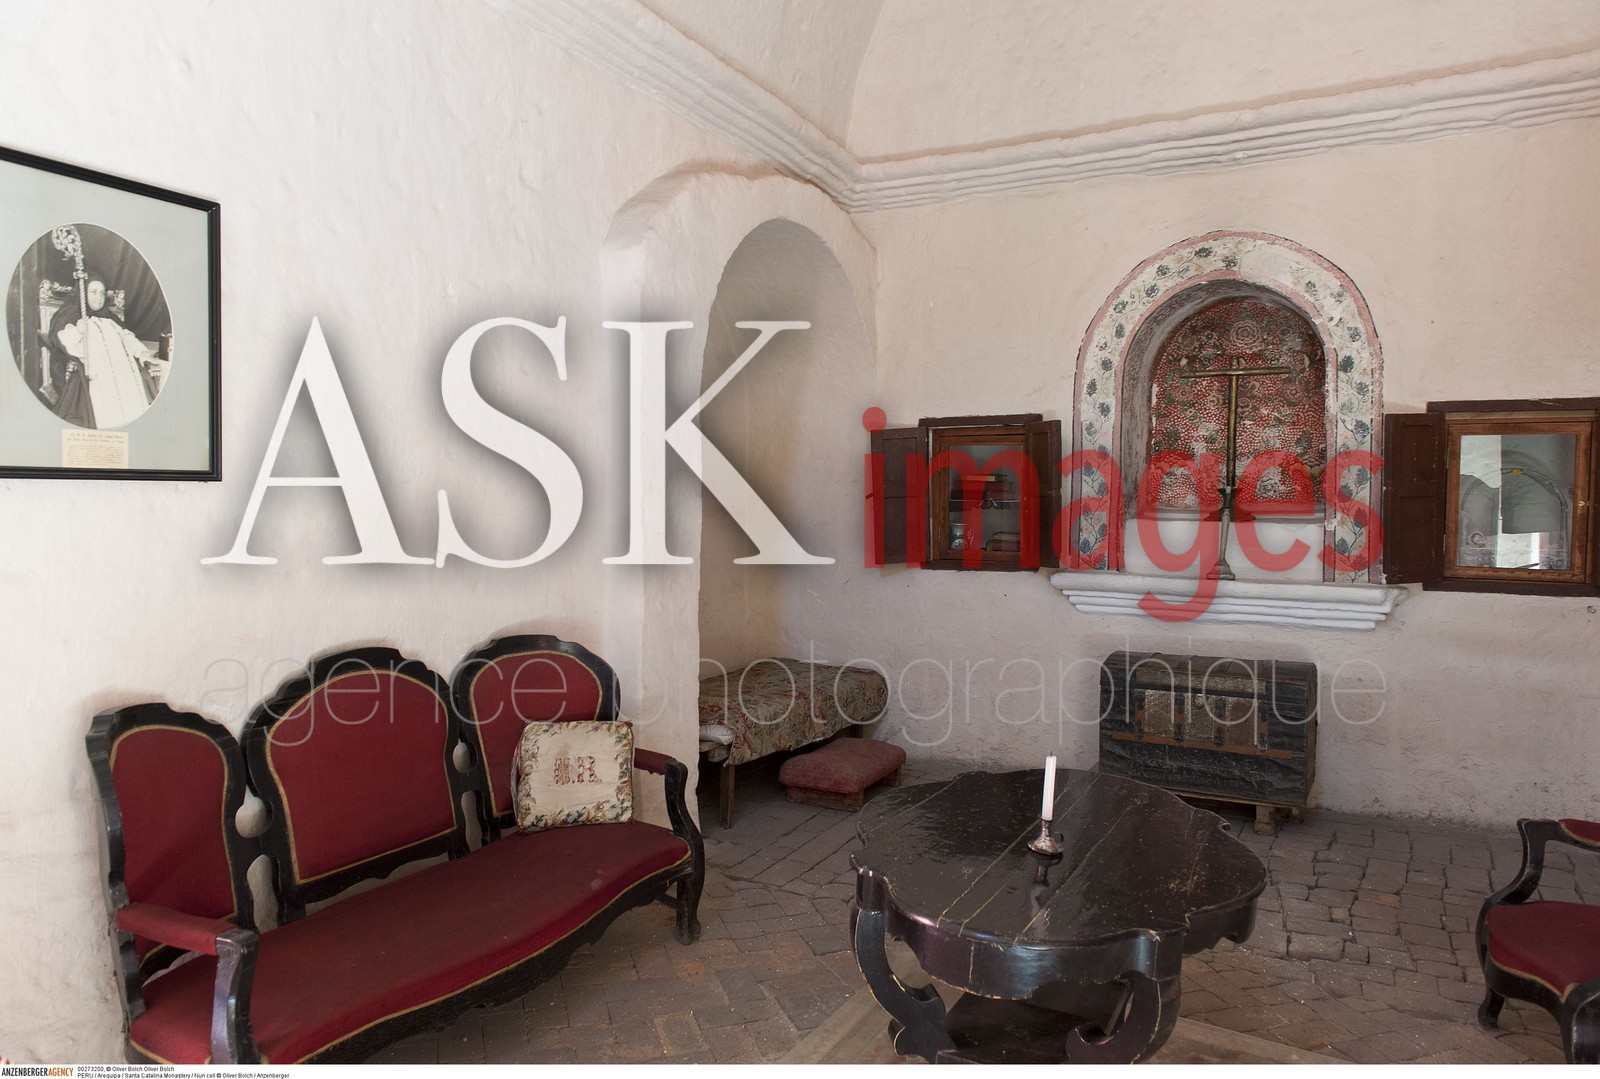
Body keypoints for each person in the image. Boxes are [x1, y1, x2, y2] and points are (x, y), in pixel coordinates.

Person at [49, 275, 166, 429]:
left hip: (124, 373)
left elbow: (128, 338)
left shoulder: (110, 319)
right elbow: (63, 342)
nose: (99, 298)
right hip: (98, 375)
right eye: (93, 292)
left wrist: (140, 352)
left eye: (102, 293)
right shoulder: (74, 318)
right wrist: (78, 331)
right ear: (83, 293)